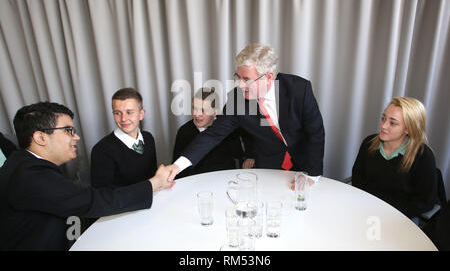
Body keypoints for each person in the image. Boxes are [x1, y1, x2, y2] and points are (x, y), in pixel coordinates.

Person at [0, 102, 174, 250]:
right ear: (41, 137)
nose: (76, 137)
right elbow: (93, 200)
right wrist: (155, 183)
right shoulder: (30, 176)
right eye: (68, 130)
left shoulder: (25, 163)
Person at [167, 44, 325, 182]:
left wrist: (312, 175)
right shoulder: (237, 99)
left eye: (246, 79)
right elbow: (213, 135)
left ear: (268, 77)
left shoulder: (299, 89)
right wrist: (177, 166)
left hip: (305, 164)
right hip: (269, 167)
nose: (240, 85)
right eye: (238, 77)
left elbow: (315, 133)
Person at [352, 97, 437, 218]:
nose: (384, 126)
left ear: (408, 128)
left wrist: (387, 214)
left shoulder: (423, 156)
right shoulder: (369, 144)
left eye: (393, 123)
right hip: (366, 210)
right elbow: (358, 180)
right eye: (383, 118)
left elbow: (424, 201)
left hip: (399, 217)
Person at [172, 87, 254, 178]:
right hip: (197, 180)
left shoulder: (228, 125)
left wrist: (250, 156)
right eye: (194, 108)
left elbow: (246, 140)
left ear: (215, 112)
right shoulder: (184, 131)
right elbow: (177, 164)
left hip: (226, 177)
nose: (197, 114)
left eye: (203, 110)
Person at [91, 88, 157, 188]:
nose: (123, 119)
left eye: (129, 112)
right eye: (117, 113)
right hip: (126, 203)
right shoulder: (101, 151)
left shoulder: (148, 138)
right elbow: (104, 195)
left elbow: (152, 176)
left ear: (141, 114)